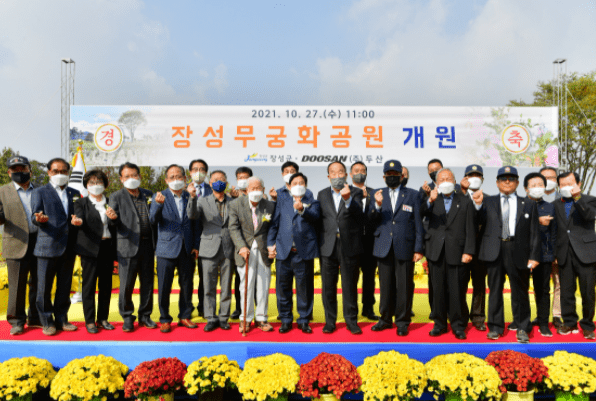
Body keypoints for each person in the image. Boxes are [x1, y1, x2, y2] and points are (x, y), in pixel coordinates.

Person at [477, 166, 540, 343]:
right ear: (497, 183)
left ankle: (522, 327)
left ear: (517, 183)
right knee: (495, 291)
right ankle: (495, 327)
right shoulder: (487, 202)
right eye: (503, 179)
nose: (507, 181)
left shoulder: (528, 203)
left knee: (520, 291)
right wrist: (477, 206)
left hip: (518, 250)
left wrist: (534, 256)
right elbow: (477, 222)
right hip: (494, 250)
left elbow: (535, 232)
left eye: (511, 179)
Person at [369, 160, 423, 337]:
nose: (392, 177)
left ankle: (402, 321)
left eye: (395, 174)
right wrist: (377, 205)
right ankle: (385, 319)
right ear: (384, 176)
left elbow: (418, 223)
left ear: (401, 176)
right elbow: (370, 220)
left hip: (405, 246)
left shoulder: (412, 195)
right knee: (385, 286)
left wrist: (418, 248)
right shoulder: (376, 194)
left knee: (404, 286)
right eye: (389, 174)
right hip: (384, 246)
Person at [421, 168, 475, 340]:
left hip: (457, 251)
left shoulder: (464, 200)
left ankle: (458, 325)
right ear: (436, 183)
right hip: (435, 251)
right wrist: (430, 200)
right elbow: (420, 213)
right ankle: (439, 324)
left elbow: (471, 228)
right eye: (442, 179)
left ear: (455, 182)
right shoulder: (431, 199)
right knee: (437, 290)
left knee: (457, 290)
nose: (445, 182)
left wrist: (468, 250)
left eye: (448, 179)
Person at [30, 157, 80, 335]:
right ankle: (46, 321)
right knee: (44, 288)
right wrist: (39, 219)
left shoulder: (74, 192)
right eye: (56, 171)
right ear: (49, 172)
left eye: (63, 171)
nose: (60, 174)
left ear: (68, 173)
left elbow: (77, 215)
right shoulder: (40, 192)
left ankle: (62, 319)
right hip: (47, 246)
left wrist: (79, 221)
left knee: (64, 287)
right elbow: (34, 216)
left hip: (68, 247)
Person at [149, 165, 200, 333]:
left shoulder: (190, 196)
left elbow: (195, 222)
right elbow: (152, 220)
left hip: (187, 248)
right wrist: (157, 205)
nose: (175, 179)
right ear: (166, 180)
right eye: (172, 177)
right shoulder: (159, 196)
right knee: (164, 286)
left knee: (187, 285)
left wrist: (196, 245)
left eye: (179, 176)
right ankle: (165, 319)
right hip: (166, 248)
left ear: (185, 179)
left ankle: (185, 316)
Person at [267, 173, 320, 334]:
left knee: (304, 288)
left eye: (301, 182)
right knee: (283, 288)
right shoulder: (282, 202)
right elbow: (274, 224)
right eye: (295, 183)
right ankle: (285, 319)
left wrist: (302, 209)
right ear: (289, 187)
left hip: (303, 252)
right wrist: (270, 244)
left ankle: (304, 320)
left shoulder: (313, 202)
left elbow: (316, 218)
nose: (298, 185)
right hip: (284, 251)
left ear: (306, 185)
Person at [108, 162, 157, 332]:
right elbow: (111, 223)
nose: (131, 178)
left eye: (134, 175)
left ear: (139, 176)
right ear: (121, 179)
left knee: (148, 283)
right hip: (127, 246)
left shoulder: (149, 194)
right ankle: (127, 317)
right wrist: (113, 218)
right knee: (126, 285)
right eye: (127, 176)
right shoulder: (116, 196)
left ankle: (145, 315)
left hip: (148, 245)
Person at [317, 161, 364, 335]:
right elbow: (319, 220)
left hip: (349, 244)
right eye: (333, 173)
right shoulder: (322, 194)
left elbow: (360, 216)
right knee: (328, 286)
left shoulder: (356, 192)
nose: (337, 176)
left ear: (346, 175)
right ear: (328, 176)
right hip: (328, 245)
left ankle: (351, 321)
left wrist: (348, 199)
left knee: (349, 285)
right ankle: (330, 321)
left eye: (340, 172)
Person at [187, 170, 235, 332]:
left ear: (226, 183)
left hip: (228, 247)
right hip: (208, 247)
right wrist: (192, 197)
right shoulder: (202, 201)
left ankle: (223, 317)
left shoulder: (233, 201)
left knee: (226, 286)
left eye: (222, 179)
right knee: (208, 286)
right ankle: (210, 317)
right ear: (210, 183)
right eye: (215, 179)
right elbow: (192, 215)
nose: (218, 181)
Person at [228, 176, 276, 333]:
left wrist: (272, 245)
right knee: (246, 286)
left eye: (258, 188)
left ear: (263, 189)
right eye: (252, 189)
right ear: (247, 190)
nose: (255, 191)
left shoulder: (270, 205)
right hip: (245, 251)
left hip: (263, 250)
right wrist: (241, 246)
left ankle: (261, 318)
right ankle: (246, 319)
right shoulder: (235, 204)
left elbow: (273, 227)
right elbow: (233, 228)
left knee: (263, 285)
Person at [0, 156, 41, 335]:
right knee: (17, 285)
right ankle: (17, 321)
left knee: (39, 283)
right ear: (9, 173)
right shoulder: (2, 191)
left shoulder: (41, 190)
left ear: (30, 171)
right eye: (15, 170)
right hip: (16, 242)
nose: (19, 172)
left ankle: (36, 318)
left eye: (22, 169)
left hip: (40, 242)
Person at [553, 172, 596, 339]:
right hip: (564, 253)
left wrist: (577, 198)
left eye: (570, 183)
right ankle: (569, 322)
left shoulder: (589, 200)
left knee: (587, 292)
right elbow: (555, 230)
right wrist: (555, 253)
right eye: (562, 184)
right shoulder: (556, 204)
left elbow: (589, 216)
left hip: (586, 253)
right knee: (566, 292)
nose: (566, 187)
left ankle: (587, 325)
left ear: (578, 184)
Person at [73, 170, 117, 334]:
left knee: (106, 285)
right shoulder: (81, 203)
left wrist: (114, 219)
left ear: (105, 185)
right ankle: (90, 320)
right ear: (86, 185)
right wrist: (78, 221)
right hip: (89, 249)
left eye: (99, 182)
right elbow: (79, 217)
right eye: (91, 182)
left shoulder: (112, 201)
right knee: (89, 285)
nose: (95, 185)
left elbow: (117, 225)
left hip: (107, 247)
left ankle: (103, 318)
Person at [523, 172, 556, 337]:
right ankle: (522, 322)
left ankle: (543, 322)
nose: (537, 188)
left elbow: (554, 232)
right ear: (526, 188)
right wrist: (537, 221)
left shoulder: (550, 207)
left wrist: (554, 254)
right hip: (522, 254)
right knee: (520, 289)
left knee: (543, 289)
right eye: (533, 185)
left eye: (540, 185)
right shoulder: (520, 205)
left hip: (544, 254)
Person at [459, 164, 488, 331]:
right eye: (471, 175)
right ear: (465, 178)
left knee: (479, 284)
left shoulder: (489, 199)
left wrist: (479, 205)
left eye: (478, 176)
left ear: (482, 179)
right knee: (460, 283)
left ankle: (478, 317)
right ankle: (461, 316)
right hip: (461, 249)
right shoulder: (457, 197)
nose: (474, 178)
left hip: (481, 249)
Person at [349, 161, 379, 320]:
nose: (359, 173)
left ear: (366, 174)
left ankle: (368, 308)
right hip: (352, 243)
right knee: (351, 278)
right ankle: (351, 310)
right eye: (356, 170)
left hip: (370, 242)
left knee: (369, 278)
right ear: (350, 174)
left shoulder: (375, 193)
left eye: (362, 170)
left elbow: (378, 215)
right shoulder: (345, 193)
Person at [228, 166, 254, 319]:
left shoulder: (259, 195)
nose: (242, 180)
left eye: (245, 177)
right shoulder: (232, 198)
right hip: (239, 245)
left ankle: (254, 309)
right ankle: (239, 308)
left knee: (256, 280)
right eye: (240, 178)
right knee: (240, 280)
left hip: (256, 245)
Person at [188, 159, 212, 317]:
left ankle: (204, 307)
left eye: (202, 169)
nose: (198, 172)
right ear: (190, 172)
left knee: (206, 277)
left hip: (208, 239)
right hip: (187, 240)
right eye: (195, 169)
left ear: (206, 172)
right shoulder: (182, 190)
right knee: (187, 277)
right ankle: (187, 308)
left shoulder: (212, 190)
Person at [539, 166, 562, 329]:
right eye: (544, 177)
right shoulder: (532, 199)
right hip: (539, 250)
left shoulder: (564, 199)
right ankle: (541, 316)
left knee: (559, 284)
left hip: (560, 250)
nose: (548, 180)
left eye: (552, 177)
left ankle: (557, 315)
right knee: (541, 285)